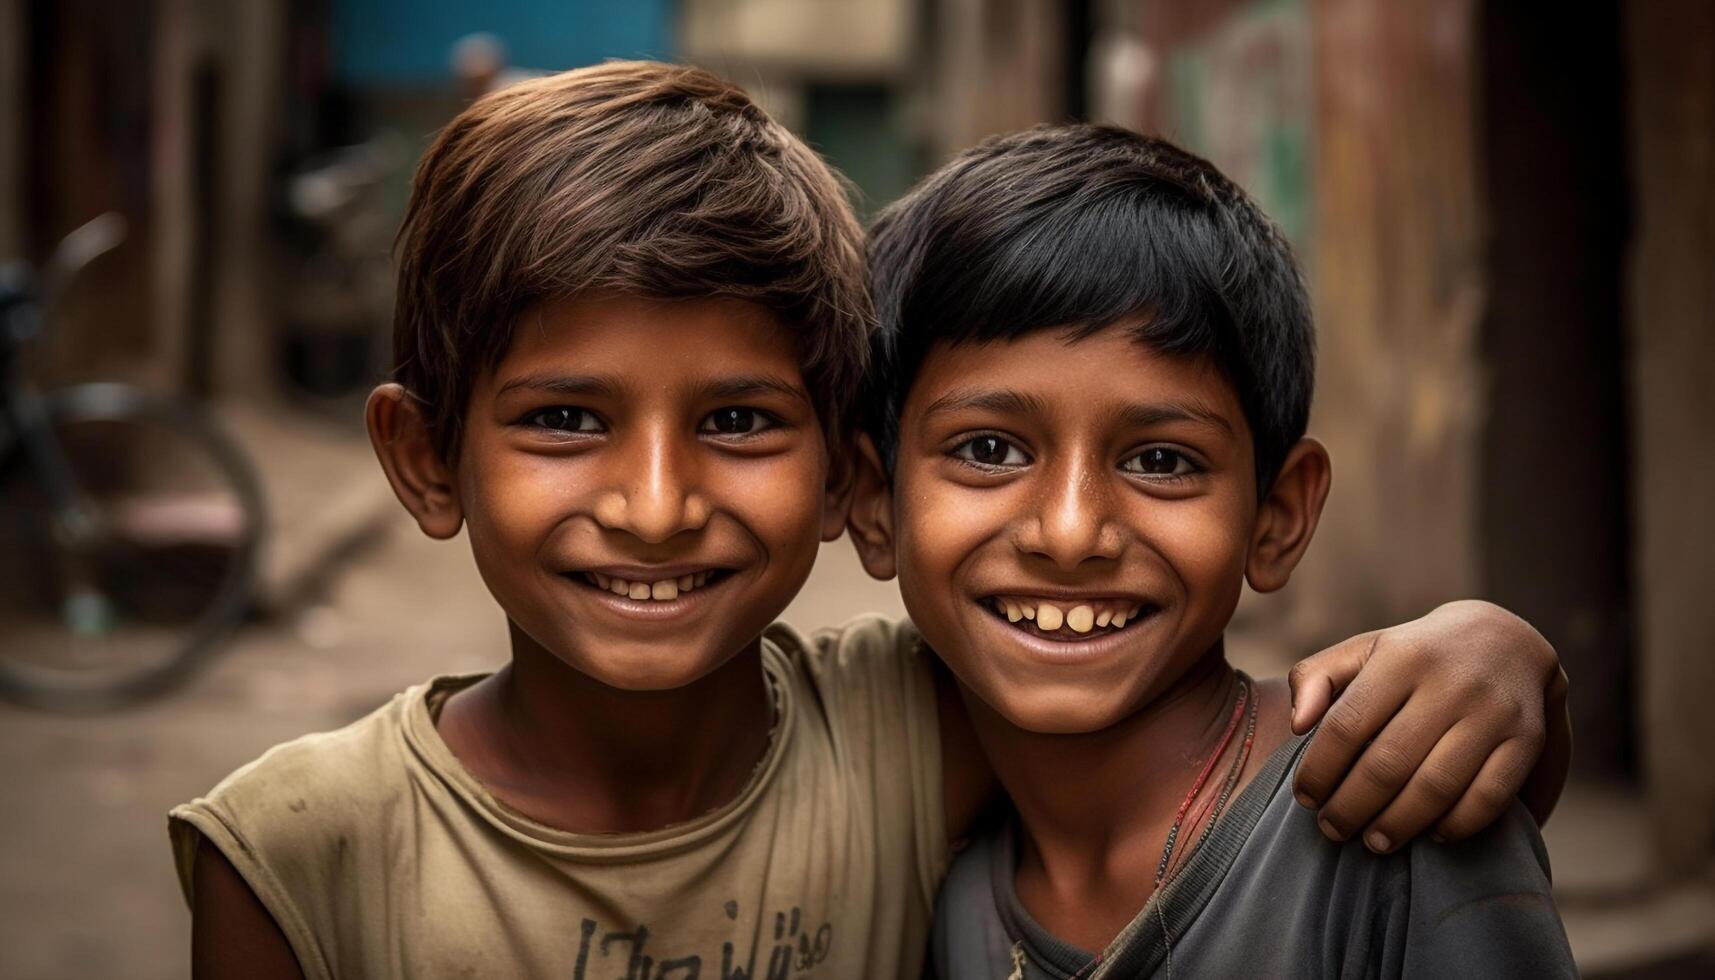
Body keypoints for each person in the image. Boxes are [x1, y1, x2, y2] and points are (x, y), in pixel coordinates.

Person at [170, 64, 1569, 979]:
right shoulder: (306, 849)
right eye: (562, 419)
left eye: (734, 423)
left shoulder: (904, 738)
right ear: (423, 458)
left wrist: (1494, 654)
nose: (654, 507)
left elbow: (1250, 753)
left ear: (841, 484)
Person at [845, 123, 1576, 977]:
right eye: (988, 450)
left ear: (1276, 517)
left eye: (1161, 461)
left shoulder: (1393, 813)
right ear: (872, 503)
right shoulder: (950, 893)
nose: (1070, 534)